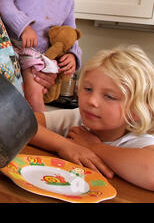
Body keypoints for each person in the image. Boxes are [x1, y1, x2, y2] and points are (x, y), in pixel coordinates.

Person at [30, 46, 154, 191]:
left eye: (109, 96)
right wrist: (66, 145)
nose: (92, 101)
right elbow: (21, 124)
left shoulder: (138, 141)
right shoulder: (75, 118)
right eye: (88, 89)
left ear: (136, 112)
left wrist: (94, 147)